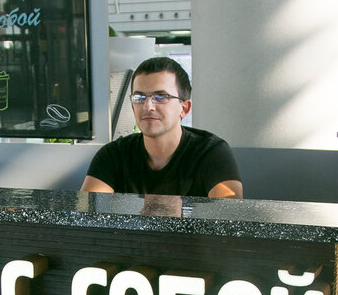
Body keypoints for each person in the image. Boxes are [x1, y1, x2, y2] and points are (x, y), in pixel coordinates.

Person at [82, 57, 242, 198]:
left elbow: (228, 216)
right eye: (139, 97)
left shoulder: (211, 152)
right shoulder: (114, 155)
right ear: (132, 107)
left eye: (160, 97)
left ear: (184, 108)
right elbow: (87, 213)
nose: (148, 106)